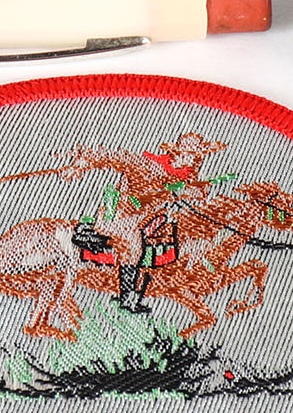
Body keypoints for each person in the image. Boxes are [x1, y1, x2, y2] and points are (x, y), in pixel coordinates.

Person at [63, 133, 228, 313]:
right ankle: (127, 299)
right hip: (122, 218)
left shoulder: (180, 175)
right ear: (177, 154)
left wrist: (192, 191)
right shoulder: (149, 165)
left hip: (150, 220)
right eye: (190, 155)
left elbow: (191, 193)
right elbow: (117, 158)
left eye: (197, 157)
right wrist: (82, 164)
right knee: (133, 248)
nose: (194, 161)